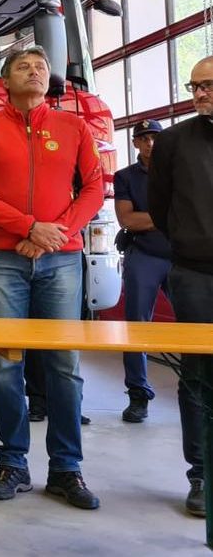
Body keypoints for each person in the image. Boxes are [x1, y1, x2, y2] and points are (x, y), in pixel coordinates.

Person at [0, 46, 104, 510]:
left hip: (61, 259)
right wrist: (27, 228)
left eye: (41, 66)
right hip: (3, 259)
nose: (35, 71)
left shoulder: (74, 126)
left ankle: (66, 469)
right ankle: (14, 464)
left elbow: (95, 187)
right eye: (23, 66)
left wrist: (53, 235)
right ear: (4, 81)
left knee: (64, 364)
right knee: (6, 365)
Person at [148, 55, 213, 518]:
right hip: (195, 274)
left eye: (207, 85)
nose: (200, 94)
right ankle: (202, 475)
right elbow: (159, 204)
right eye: (194, 87)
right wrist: (190, 243)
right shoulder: (172, 142)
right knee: (197, 377)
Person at [113, 118, 171, 424]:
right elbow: (128, 221)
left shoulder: (179, 172)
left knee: (199, 324)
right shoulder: (124, 177)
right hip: (144, 255)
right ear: (135, 143)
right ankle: (138, 395)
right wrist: (170, 215)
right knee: (136, 328)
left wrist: (148, 216)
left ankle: (200, 390)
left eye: (155, 137)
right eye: (144, 138)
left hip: (183, 256)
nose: (150, 143)